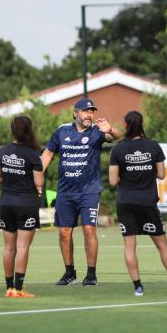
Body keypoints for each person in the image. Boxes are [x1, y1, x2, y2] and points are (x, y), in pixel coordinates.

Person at [109, 110, 167, 296]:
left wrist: (128, 172)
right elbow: (162, 174)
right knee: (162, 245)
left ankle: (138, 287)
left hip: (126, 202)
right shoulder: (153, 146)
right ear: (143, 124)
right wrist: (146, 171)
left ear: (125, 125)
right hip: (147, 202)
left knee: (129, 246)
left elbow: (113, 181)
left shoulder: (118, 149)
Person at [41, 98, 121, 286]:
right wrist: (35, 177)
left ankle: (91, 274)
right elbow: (47, 154)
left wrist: (109, 129)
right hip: (66, 192)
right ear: (75, 113)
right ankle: (69, 273)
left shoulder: (96, 131)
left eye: (92, 111)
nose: (90, 114)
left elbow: (115, 136)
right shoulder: (62, 131)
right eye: (86, 111)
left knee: (88, 229)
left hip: (89, 191)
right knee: (64, 232)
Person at [0, 115, 45, 297]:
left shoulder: (2, 152)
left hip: (6, 203)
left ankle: (9, 288)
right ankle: (19, 288)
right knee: (22, 247)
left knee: (9, 247)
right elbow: (39, 181)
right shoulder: (33, 154)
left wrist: (10, 178)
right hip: (26, 204)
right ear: (29, 130)